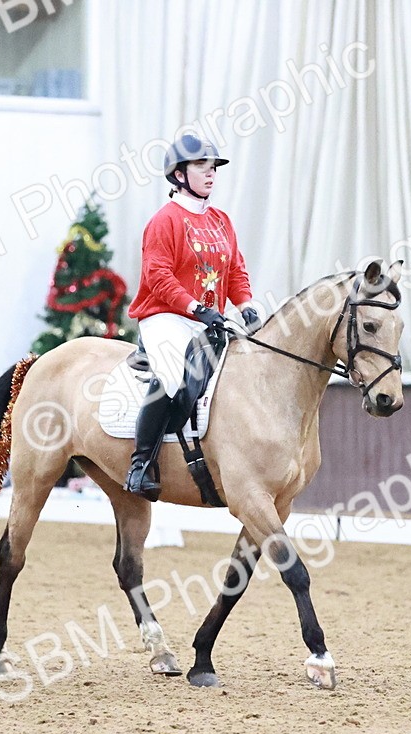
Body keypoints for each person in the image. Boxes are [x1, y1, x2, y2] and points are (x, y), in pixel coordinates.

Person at [123, 133, 262, 498]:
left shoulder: (221, 221)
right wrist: (196, 309)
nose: (211, 172)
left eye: (213, 166)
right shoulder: (163, 221)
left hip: (208, 319)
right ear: (180, 174)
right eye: (202, 166)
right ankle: (141, 465)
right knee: (171, 376)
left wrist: (246, 305)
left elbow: (235, 270)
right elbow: (158, 276)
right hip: (166, 316)